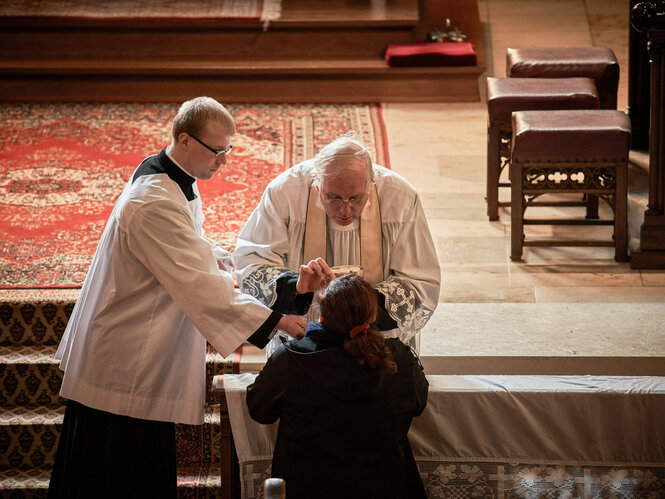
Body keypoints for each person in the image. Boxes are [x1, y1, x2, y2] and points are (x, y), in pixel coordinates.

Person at [47, 97, 307, 499]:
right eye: (217, 151)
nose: (223, 161)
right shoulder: (152, 199)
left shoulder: (170, 174)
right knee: (116, 470)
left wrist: (223, 259)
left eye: (228, 150)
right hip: (126, 352)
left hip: (135, 341)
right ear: (185, 140)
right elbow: (196, 282)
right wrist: (275, 321)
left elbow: (186, 246)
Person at [234, 133, 440, 354]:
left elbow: (420, 281)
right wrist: (297, 287)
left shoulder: (401, 198)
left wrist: (361, 307)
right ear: (317, 185)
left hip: (375, 341)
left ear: (371, 184)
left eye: (355, 198)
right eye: (333, 197)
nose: (345, 210)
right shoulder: (285, 193)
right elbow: (252, 263)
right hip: (305, 341)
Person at [246, 274, 429, 499]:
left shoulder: (290, 359)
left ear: (322, 315)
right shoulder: (400, 360)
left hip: (308, 488)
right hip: (384, 488)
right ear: (372, 316)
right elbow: (418, 404)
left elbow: (259, 410)